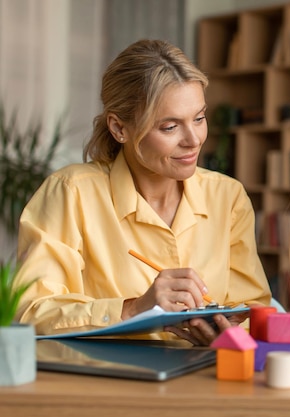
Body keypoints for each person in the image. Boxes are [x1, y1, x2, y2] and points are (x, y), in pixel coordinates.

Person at [14, 39, 271, 346]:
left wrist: (225, 335)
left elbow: (255, 311)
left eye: (199, 119)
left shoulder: (228, 197)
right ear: (119, 128)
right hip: (106, 385)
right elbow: (29, 313)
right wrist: (134, 309)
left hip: (206, 380)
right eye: (170, 127)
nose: (194, 140)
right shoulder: (71, 193)